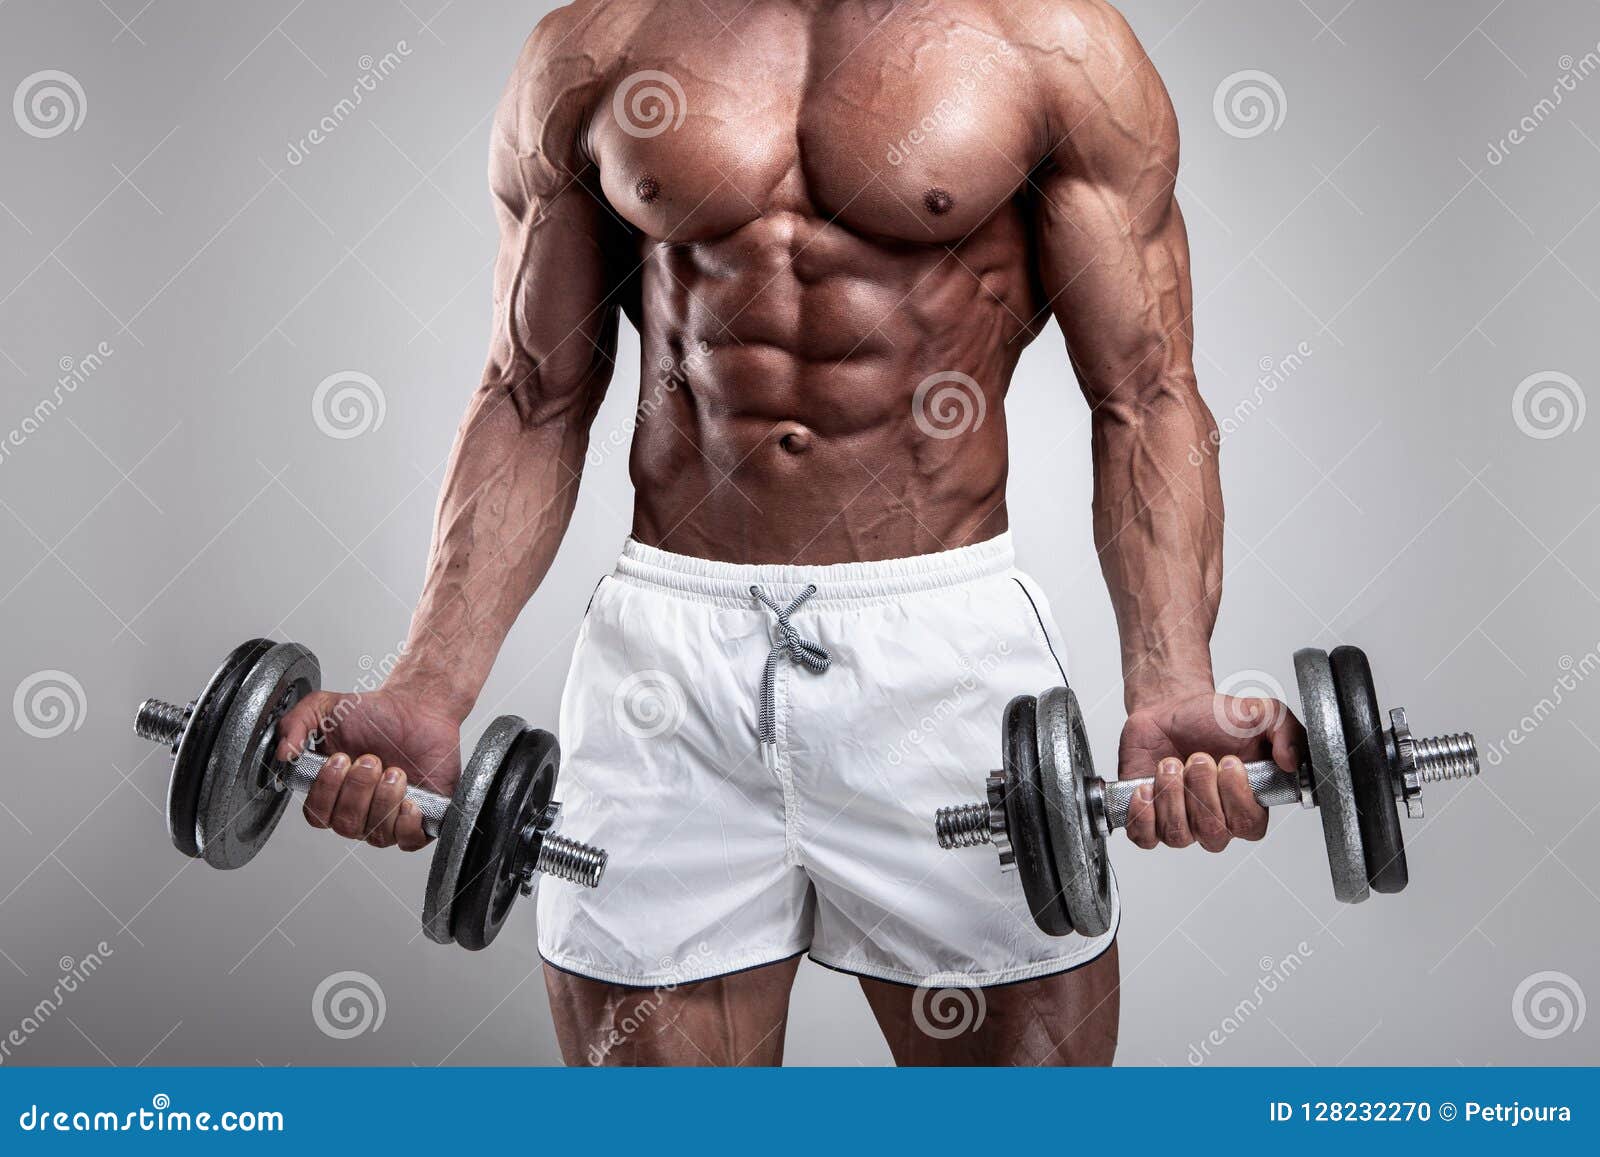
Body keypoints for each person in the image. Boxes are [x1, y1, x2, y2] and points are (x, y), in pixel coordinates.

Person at [276, 0, 1303, 1065]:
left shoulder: (1051, 46)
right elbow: (531, 392)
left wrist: (1173, 680)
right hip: (669, 670)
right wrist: (427, 685)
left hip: (941, 665)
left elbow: (1146, 393)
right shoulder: (597, 44)